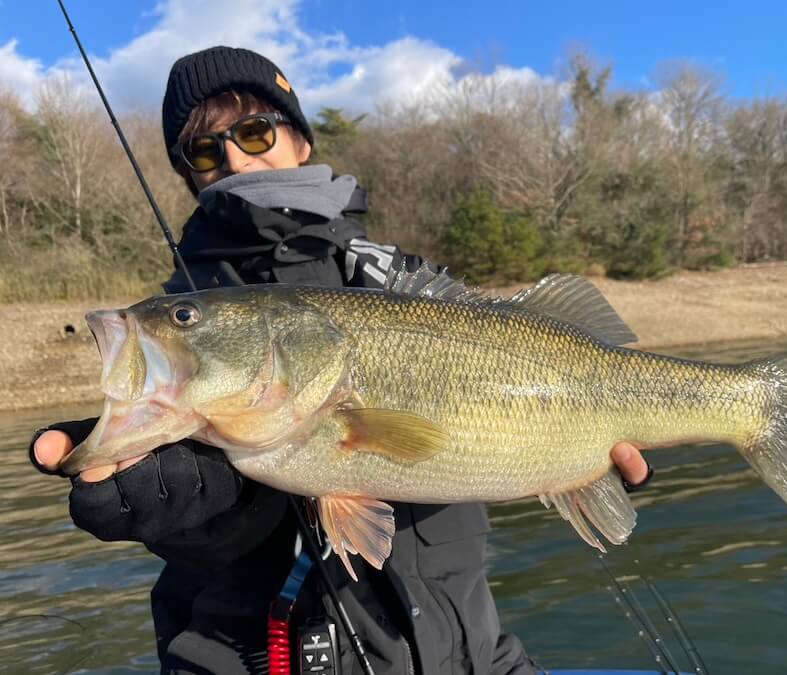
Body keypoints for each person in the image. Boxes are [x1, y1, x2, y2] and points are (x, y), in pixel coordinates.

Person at [29, 46, 653, 674]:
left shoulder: (397, 277)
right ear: (188, 174)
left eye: (254, 131)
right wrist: (193, 519)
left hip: (478, 657)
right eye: (204, 150)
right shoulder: (186, 326)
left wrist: (581, 457)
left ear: (301, 141)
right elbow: (206, 537)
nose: (235, 159)